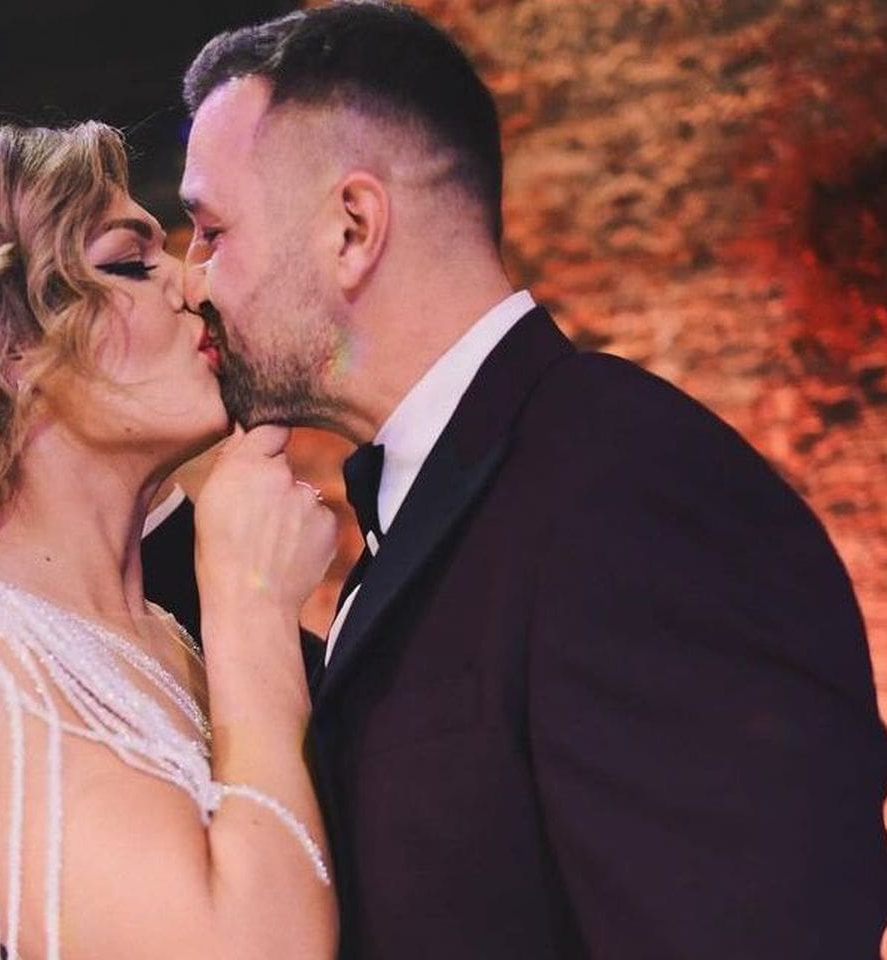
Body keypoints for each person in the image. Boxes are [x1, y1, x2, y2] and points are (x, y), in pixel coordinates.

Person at [179, 3, 887, 957]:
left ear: (352, 227)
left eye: (211, 231)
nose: (193, 279)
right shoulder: (468, 495)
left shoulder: (633, 493)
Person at [0, 122, 338, 959]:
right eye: (130, 263)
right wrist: (252, 605)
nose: (191, 284)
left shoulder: (169, 641)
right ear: (3, 350)